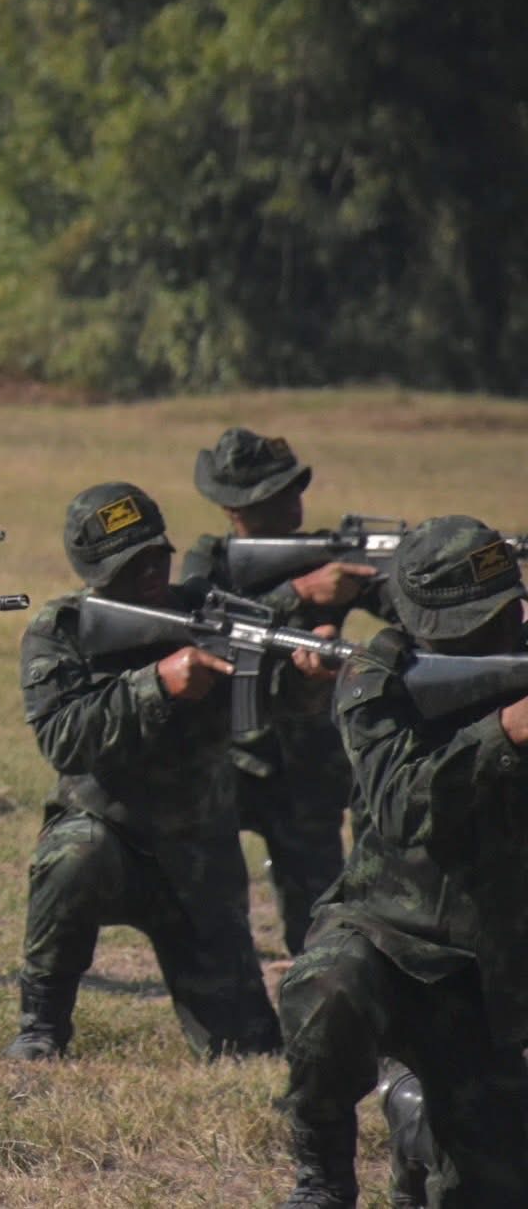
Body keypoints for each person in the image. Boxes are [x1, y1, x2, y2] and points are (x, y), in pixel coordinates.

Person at [276, 516, 528, 1207]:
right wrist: (505, 733)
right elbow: (400, 804)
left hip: (493, 979)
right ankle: (323, 1176)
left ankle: (414, 1121)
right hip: (390, 940)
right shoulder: (380, 674)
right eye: (468, 628)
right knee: (326, 989)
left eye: (500, 616)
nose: (493, 634)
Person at [5, 482, 284, 1061]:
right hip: (109, 840)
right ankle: (41, 1024)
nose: (150, 571)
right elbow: (63, 739)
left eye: (156, 555)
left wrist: (306, 678)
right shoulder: (64, 629)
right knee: (71, 857)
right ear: (95, 573)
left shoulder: (212, 613)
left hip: (199, 862)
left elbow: (274, 707)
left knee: (246, 1051)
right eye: (130, 564)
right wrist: (158, 684)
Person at [180, 427, 383, 956]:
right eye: (273, 495)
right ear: (233, 508)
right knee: (208, 910)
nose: (292, 503)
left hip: (306, 766)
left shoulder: (327, 554)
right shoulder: (210, 561)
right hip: (223, 759)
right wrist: (298, 593)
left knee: (318, 923)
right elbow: (204, 625)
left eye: (295, 488)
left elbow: (398, 601)